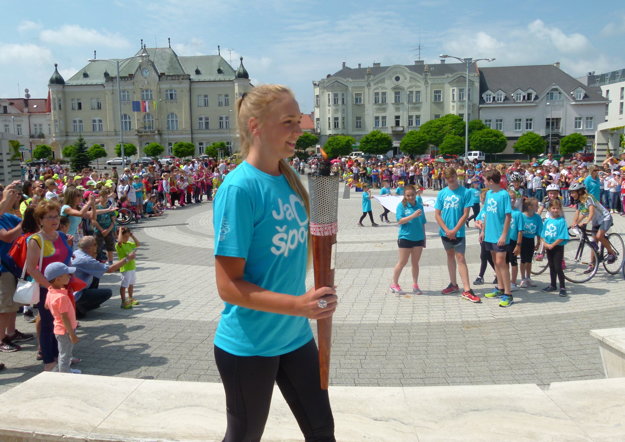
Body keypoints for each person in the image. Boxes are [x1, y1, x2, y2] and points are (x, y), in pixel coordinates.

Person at [213, 85, 336, 441]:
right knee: (245, 437)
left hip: (294, 336)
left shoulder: (290, 179)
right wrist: (299, 304)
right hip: (249, 344)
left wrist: (319, 291)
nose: (299, 130)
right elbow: (228, 286)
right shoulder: (239, 190)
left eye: (298, 121)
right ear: (256, 126)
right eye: (288, 122)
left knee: (322, 430)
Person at [25, 200, 73, 371]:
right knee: (48, 325)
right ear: (40, 220)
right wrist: (50, 287)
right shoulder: (36, 240)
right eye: (49, 217)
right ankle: (49, 362)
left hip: (63, 287)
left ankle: (61, 357)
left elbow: (65, 260)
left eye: (56, 216)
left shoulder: (61, 236)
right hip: (47, 290)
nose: (55, 220)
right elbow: (32, 269)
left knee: (61, 324)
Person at [434, 168, 480, 303]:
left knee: (460, 258)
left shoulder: (466, 192)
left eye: (452, 176)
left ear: (456, 176)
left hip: (458, 231)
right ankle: (453, 284)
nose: (451, 179)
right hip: (445, 231)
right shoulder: (442, 193)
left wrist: (454, 230)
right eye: (448, 177)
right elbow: (437, 214)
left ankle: (467, 289)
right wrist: (446, 230)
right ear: (445, 178)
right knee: (449, 255)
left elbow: (466, 214)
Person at [0, 183, 33, 354]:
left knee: (12, 305)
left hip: (11, 266)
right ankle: (1, 339)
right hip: (2, 268)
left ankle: (11, 333)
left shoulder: (6, 216)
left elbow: (26, 226)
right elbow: (7, 237)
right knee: (4, 307)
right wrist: (24, 223)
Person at [71, 236, 133, 317]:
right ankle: (79, 308)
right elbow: (110, 269)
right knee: (107, 292)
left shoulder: (76, 253)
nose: (97, 247)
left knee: (97, 275)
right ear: (90, 247)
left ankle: (80, 305)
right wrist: (127, 259)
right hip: (77, 294)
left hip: (73, 289)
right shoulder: (86, 259)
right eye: (95, 245)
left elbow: (98, 267)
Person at [481, 169, 514, 307]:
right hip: (489, 233)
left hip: (500, 235)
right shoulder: (488, 194)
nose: (483, 182)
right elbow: (486, 213)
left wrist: (504, 234)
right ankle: (500, 288)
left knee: (502, 262)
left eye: (485, 180)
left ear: (491, 181)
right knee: (495, 261)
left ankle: (508, 293)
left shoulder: (504, 194)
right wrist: (483, 231)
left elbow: (508, 215)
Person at [569, 181, 616, 272]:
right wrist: (574, 223)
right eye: (570, 192)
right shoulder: (579, 202)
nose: (571, 194)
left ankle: (612, 253)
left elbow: (591, 212)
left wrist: (586, 222)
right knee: (593, 242)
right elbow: (580, 213)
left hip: (605, 218)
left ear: (579, 191)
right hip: (596, 221)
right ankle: (592, 264)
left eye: (573, 192)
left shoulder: (589, 198)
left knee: (599, 236)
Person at [43, 262, 80, 373]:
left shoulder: (50, 291)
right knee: (65, 353)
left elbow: (46, 306)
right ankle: (64, 374)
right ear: (58, 279)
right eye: (67, 274)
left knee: (63, 352)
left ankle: (64, 370)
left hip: (59, 328)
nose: (69, 276)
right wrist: (72, 334)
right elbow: (65, 318)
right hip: (65, 330)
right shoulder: (61, 297)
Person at [389, 185, 426, 294]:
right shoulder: (401, 206)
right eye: (408, 195)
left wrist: (424, 238)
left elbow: (423, 222)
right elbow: (400, 221)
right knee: (402, 262)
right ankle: (394, 284)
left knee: (415, 263)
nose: (410, 197)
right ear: (404, 196)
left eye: (412, 195)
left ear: (415, 194)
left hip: (418, 238)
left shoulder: (419, 206)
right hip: (405, 237)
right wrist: (413, 216)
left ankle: (415, 285)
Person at [540, 199, 569, 297]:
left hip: (557, 247)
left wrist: (553, 244)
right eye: (553, 208)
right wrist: (545, 244)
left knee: (558, 267)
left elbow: (562, 236)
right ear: (549, 209)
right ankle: (553, 285)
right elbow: (542, 234)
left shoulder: (562, 221)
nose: (555, 210)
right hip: (548, 246)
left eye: (557, 208)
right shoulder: (547, 221)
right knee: (551, 266)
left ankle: (562, 287)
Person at [518, 198, 542, 288]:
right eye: (536, 205)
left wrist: (538, 242)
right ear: (529, 207)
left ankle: (528, 277)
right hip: (523, 239)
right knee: (523, 260)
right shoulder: (522, 216)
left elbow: (539, 230)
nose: (538, 207)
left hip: (531, 240)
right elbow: (518, 230)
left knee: (529, 260)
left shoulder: (537, 217)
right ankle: (523, 278)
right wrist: (518, 244)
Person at [116, 227, 140, 309]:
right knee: (124, 285)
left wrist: (132, 236)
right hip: (125, 268)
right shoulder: (119, 245)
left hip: (132, 267)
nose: (126, 238)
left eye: (127, 236)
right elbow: (119, 241)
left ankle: (130, 298)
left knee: (131, 284)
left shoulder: (129, 243)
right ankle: (123, 302)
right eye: (125, 236)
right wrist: (119, 231)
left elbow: (138, 244)